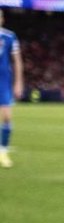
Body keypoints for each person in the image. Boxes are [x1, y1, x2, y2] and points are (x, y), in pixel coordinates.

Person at [0, 11, 24, 168]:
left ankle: (3, 151)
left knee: (7, 117)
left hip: (3, 82)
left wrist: (18, 82)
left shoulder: (9, 36)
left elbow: (17, 61)